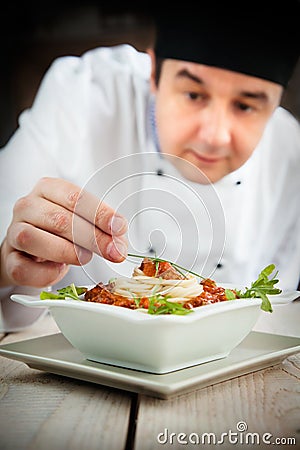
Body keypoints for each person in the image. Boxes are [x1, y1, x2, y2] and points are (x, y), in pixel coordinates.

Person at [0, 4, 299, 331]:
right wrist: (9, 262)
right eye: (193, 94)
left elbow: (274, 320)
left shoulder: (290, 156)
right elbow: (9, 230)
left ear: (275, 103)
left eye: (245, 106)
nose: (214, 136)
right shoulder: (84, 94)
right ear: (154, 72)